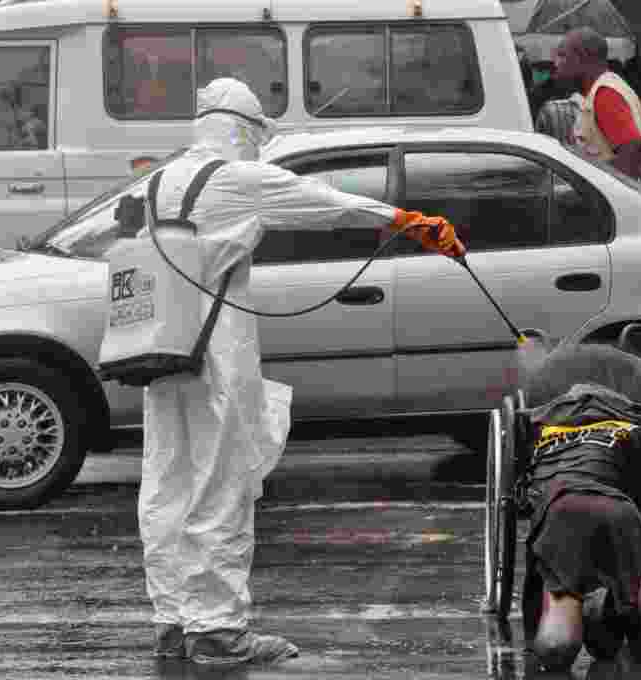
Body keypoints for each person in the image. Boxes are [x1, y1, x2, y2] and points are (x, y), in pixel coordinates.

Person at [138, 77, 466, 666]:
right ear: (244, 130)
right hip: (216, 349)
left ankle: (173, 620)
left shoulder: (160, 181)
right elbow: (324, 202)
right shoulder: (238, 180)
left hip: (161, 353)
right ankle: (217, 631)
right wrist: (407, 219)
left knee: (168, 485)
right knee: (223, 483)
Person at [520, 342, 641, 670]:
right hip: (618, 516)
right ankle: (624, 609)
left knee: (556, 648)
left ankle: (574, 615)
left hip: (558, 515)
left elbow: (523, 491)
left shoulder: (543, 430)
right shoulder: (638, 430)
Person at [553, 28, 641, 195]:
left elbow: (633, 148)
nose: (556, 63)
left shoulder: (605, 94)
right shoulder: (612, 86)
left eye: (562, 55)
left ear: (582, 57)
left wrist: (604, 188)